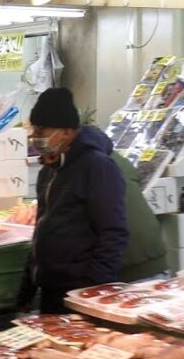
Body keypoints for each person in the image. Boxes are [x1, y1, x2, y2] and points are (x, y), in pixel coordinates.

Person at [16, 87, 127, 314]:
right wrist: (27, 286)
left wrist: (93, 289)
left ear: (66, 131)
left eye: (41, 130)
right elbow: (42, 230)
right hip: (50, 289)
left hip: (81, 292)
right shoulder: (49, 170)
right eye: (34, 130)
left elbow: (114, 233)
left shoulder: (97, 166)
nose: (36, 137)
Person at [111, 153, 169, 282]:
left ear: (67, 132)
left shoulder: (87, 163)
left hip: (129, 263)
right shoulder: (117, 158)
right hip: (149, 256)